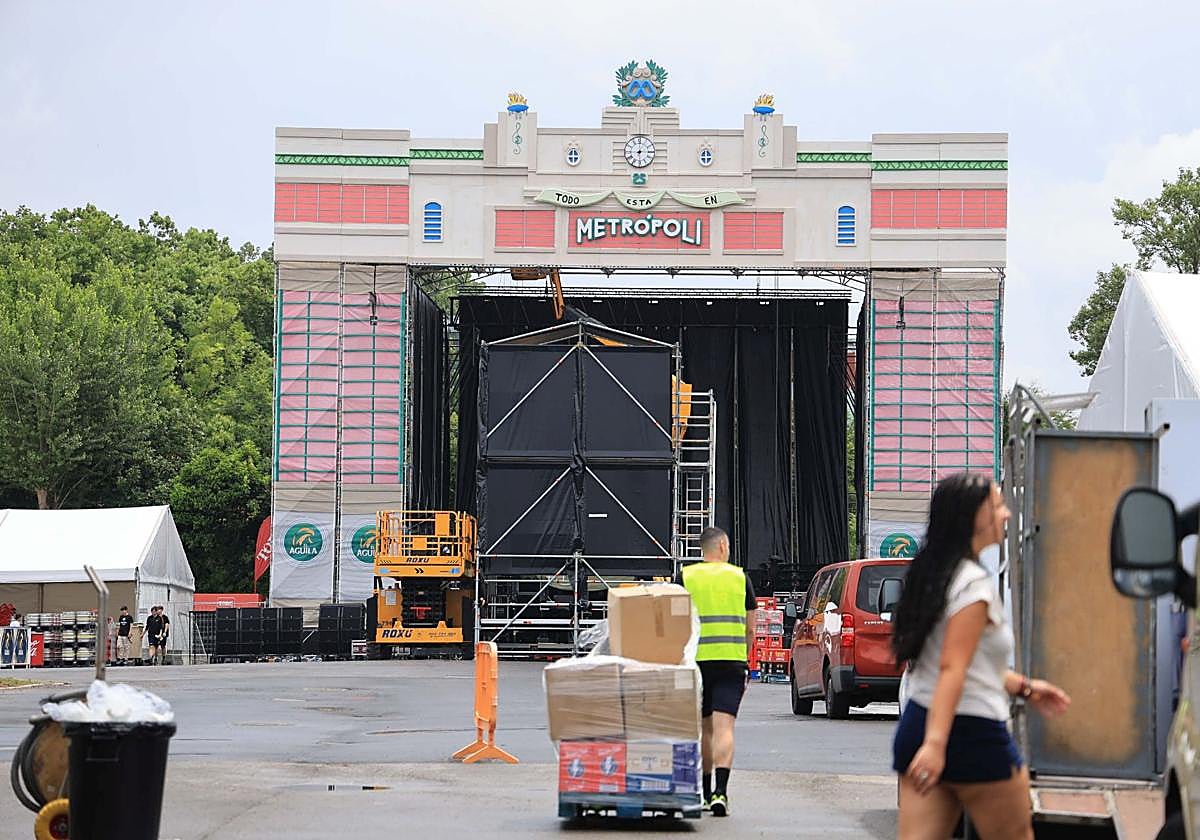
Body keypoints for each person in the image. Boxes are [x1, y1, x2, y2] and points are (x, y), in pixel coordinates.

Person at [891, 472, 1071, 839]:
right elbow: (953, 667)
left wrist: (1024, 687)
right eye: (999, 505)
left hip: (918, 723)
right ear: (975, 517)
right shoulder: (973, 585)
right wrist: (939, 744)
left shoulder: (933, 576)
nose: (1006, 514)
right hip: (972, 734)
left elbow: (967, 663)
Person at [678, 526, 756, 817]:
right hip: (731, 662)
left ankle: (702, 791)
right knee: (724, 728)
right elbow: (751, 628)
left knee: (703, 730)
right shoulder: (740, 577)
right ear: (722, 546)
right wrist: (745, 658)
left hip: (695, 664)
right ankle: (720, 793)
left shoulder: (685, 577)